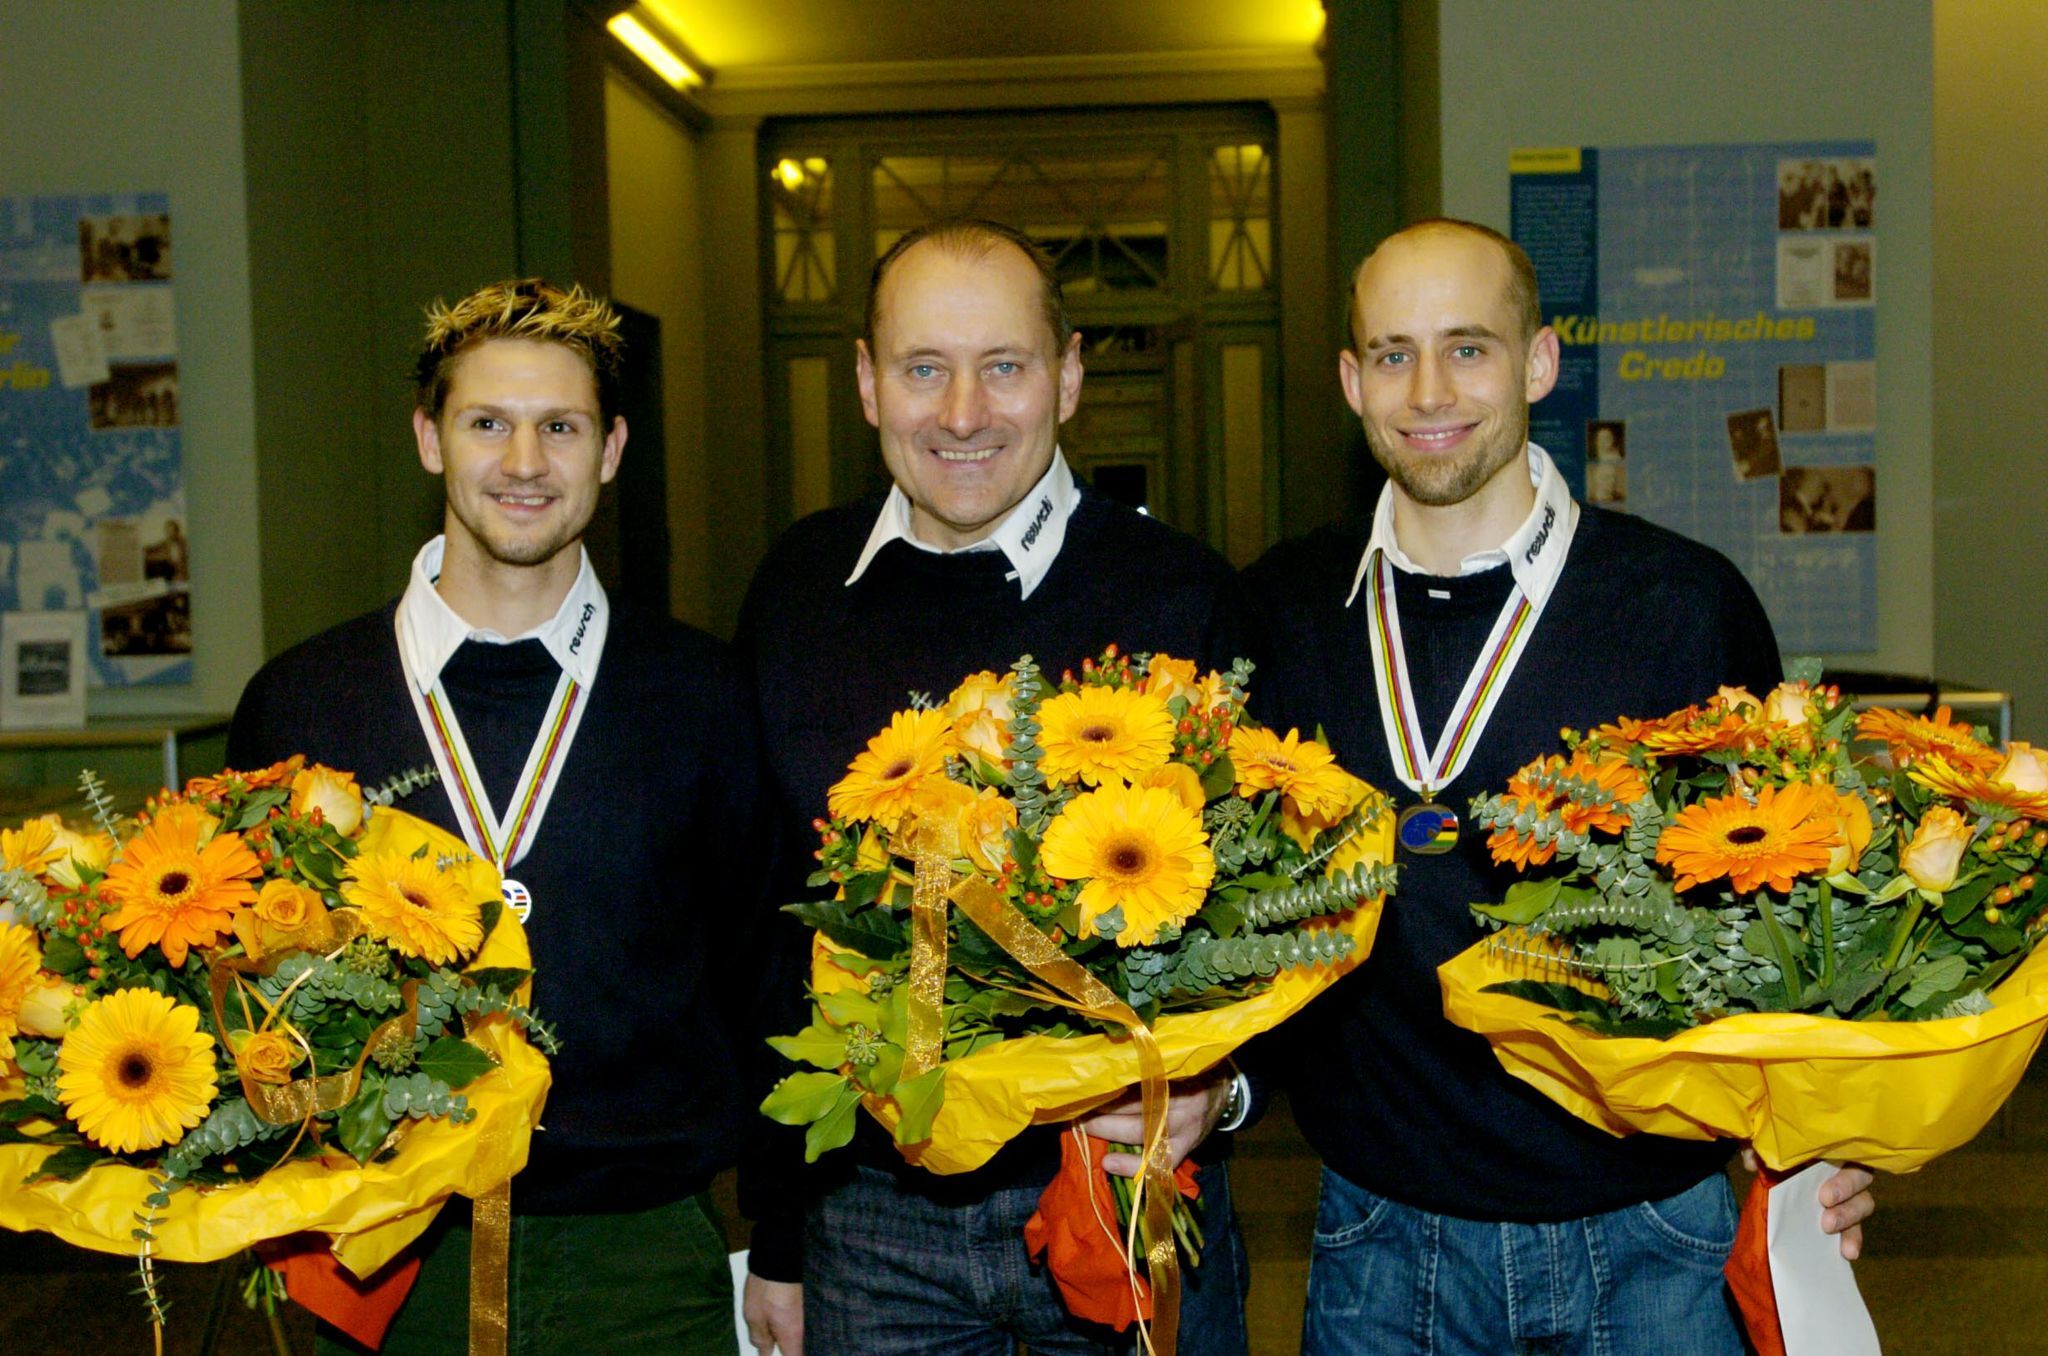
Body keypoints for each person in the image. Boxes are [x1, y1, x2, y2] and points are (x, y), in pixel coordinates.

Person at [1243, 220, 1875, 1354]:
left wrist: (1817, 1136)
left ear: (1537, 361)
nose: (1427, 389)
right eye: (1390, 354)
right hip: (1380, 1239)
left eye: (1467, 348)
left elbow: (1784, 912)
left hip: (1652, 1240)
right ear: (1349, 381)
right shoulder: (1279, 614)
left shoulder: (1681, 605)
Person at [736, 219, 1252, 1356]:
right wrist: (774, 1234)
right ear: (868, 385)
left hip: (1114, 1190)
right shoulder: (793, 596)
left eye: (1003, 366)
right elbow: (771, 928)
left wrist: (1225, 1098)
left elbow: (1260, 914)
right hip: (867, 1221)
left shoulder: (1185, 599)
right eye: (924, 367)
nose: (962, 413)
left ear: (1066, 378)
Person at [228, 279, 765, 1353]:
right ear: (429, 439)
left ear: (610, 450)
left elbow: (766, 976)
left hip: (641, 1259)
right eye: (488, 424)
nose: (524, 464)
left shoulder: (702, 694)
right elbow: (243, 991)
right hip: (379, 1253)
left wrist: (785, 1243)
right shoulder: (301, 700)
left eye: (558, 427)